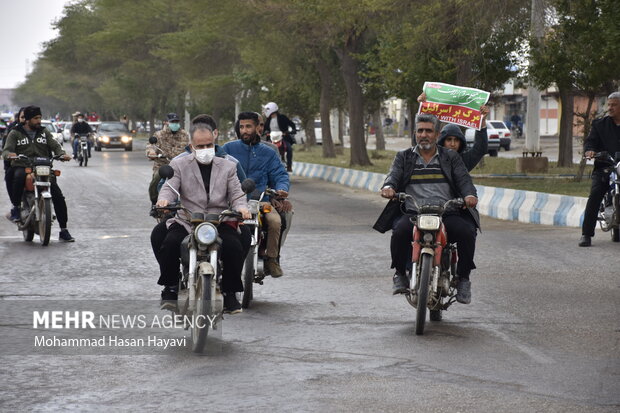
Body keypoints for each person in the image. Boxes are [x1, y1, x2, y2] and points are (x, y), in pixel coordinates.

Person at [374, 113, 479, 304]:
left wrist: (469, 195)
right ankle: (399, 274)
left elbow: (464, 180)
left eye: (428, 131)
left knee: (467, 232)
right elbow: (393, 176)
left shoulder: (451, 157)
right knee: (399, 232)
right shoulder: (403, 157)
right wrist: (389, 187)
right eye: (420, 131)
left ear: (437, 135)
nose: (424, 135)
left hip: (446, 213)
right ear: (415, 134)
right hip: (414, 213)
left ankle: (464, 279)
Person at [151, 123, 251, 313]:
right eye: (200, 146)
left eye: (208, 145)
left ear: (214, 142)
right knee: (168, 242)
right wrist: (164, 201)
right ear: (191, 145)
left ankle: (230, 293)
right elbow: (169, 187)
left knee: (235, 245)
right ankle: (170, 286)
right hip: (188, 220)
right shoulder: (179, 164)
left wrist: (242, 208)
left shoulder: (229, 166)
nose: (205, 150)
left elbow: (237, 194)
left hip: (218, 221)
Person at [223, 112, 290, 277]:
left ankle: (271, 259)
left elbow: (280, 174)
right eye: (242, 127)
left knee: (275, 221)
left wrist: (281, 188)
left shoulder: (269, 152)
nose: (245, 130)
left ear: (257, 128)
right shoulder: (228, 148)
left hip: (261, 201)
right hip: (231, 202)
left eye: (248, 126)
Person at [2, 106, 74, 241]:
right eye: (36, 118)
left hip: (42, 167)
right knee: (17, 176)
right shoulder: (15, 133)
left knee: (58, 196)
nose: (39, 121)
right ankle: (16, 208)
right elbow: (6, 151)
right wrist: (10, 155)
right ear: (28, 119)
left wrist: (62, 154)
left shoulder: (44, 132)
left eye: (40, 118)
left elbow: (55, 146)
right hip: (22, 166)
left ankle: (63, 230)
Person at [579, 91, 620, 247]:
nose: (610, 108)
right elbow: (590, 142)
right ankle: (586, 234)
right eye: (609, 104)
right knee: (595, 194)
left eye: (614, 105)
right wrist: (589, 151)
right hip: (605, 166)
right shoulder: (599, 124)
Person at [418, 92, 490, 171]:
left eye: (456, 140)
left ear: (461, 142)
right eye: (449, 139)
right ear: (442, 141)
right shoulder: (431, 159)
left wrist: (482, 121)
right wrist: (423, 106)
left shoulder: (464, 161)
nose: (453, 144)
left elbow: (480, 148)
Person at [146, 113, 189, 205]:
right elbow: (151, 146)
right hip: (162, 165)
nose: (175, 124)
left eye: (177, 122)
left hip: (181, 166)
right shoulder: (159, 135)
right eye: (172, 122)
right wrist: (151, 152)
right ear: (166, 122)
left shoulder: (185, 135)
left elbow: (191, 148)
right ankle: (155, 202)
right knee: (156, 180)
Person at [263, 102, 297, 172]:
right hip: (271, 138)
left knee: (289, 148)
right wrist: (265, 132)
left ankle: (289, 166)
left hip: (283, 138)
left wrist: (292, 130)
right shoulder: (268, 120)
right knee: (265, 148)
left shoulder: (283, 117)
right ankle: (265, 166)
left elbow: (292, 124)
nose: (266, 112)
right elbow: (264, 129)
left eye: (267, 110)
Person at [3, 108, 25, 202]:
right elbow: (6, 149)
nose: (25, 119)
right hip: (18, 163)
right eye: (23, 117)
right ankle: (16, 205)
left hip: (37, 164)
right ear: (18, 118)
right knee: (11, 177)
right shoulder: (13, 130)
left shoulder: (40, 131)